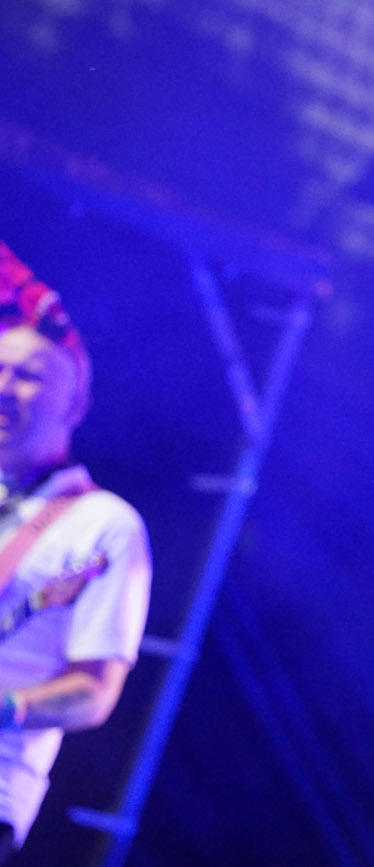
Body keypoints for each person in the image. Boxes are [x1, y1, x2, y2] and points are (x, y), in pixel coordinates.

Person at [0, 243, 151, 861]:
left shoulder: (103, 524)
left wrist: (10, 708)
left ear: (75, 404)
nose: (5, 388)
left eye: (30, 376)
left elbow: (94, 692)